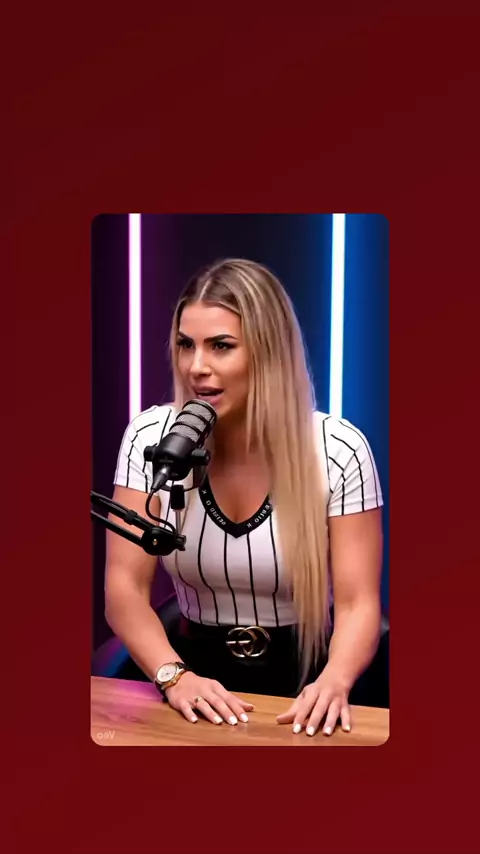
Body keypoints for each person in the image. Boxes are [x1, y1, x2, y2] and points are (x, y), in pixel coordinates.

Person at [104, 258, 386, 738]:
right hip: (186, 669)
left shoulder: (339, 449)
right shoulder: (150, 437)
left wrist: (334, 681)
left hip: (309, 673)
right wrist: (174, 677)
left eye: (221, 346)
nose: (196, 367)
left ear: (268, 352)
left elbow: (360, 603)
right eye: (185, 345)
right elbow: (124, 588)